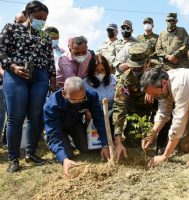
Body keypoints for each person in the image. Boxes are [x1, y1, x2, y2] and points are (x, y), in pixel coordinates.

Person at [0, 0, 56, 173]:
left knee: (35, 116)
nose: (42, 21)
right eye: (39, 17)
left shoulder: (44, 36)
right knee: (16, 117)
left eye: (44, 19)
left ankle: (31, 153)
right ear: (28, 14)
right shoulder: (11, 28)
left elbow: (49, 58)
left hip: (40, 77)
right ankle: (13, 158)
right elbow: (1, 51)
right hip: (16, 75)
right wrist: (13, 67)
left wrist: (52, 78)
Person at [113, 43, 169, 161]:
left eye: (139, 68)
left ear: (148, 62)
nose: (136, 71)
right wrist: (117, 140)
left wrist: (152, 88)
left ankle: (162, 139)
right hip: (137, 111)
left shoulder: (160, 70)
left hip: (159, 106)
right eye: (133, 68)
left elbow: (172, 89)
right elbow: (119, 106)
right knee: (132, 142)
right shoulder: (126, 80)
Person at [44, 77, 110, 176]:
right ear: (64, 94)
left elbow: (99, 119)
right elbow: (54, 133)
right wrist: (64, 159)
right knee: (68, 155)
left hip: (75, 123)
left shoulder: (91, 95)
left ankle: (71, 142)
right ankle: (49, 140)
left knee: (85, 148)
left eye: (82, 99)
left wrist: (105, 144)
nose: (79, 102)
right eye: (74, 100)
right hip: (58, 128)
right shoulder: (51, 106)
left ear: (85, 91)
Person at [83, 52, 116, 129]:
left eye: (102, 70)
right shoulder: (85, 83)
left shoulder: (113, 79)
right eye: (97, 70)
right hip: (95, 119)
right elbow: (83, 103)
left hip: (113, 116)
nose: (100, 72)